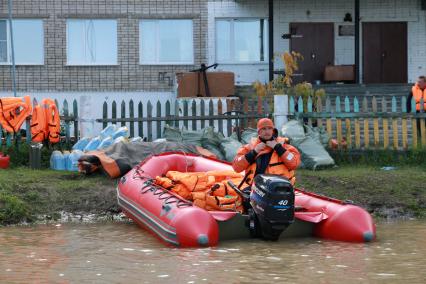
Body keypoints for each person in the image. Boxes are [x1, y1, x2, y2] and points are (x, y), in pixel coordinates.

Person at [232, 118, 301, 188]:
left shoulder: (285, 146)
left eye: (269, 128)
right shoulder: (250, 147)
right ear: (259, 132)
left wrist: (278, 148)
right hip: (255, 188)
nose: (267, 131)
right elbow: (236, 167)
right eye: (263, 129)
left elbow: (294, 163)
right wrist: (253, 152)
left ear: (273, 131)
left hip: (279, 189)